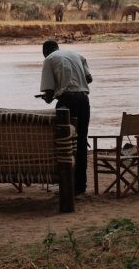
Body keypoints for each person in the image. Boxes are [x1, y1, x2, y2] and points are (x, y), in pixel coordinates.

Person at [40, 40, 92, 195]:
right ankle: (80, 186)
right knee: (81, 142)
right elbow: (89, 79)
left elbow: (49, 93)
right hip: (84, 100)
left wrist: (48, 97)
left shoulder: (49, 60)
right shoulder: (77, 54)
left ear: (45, 52)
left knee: (64, 143)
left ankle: (67, 183)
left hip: (67, 103)